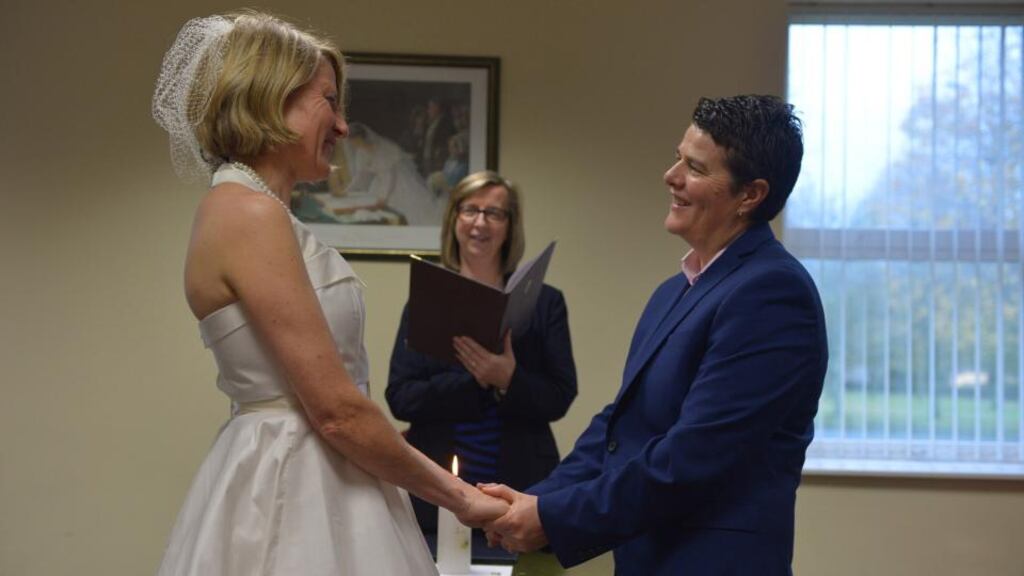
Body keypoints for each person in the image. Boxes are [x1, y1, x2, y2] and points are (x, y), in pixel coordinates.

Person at [151, 12, 506, 575]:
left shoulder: (260, 211)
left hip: (326, 472)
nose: (343, 127)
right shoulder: (247, 212)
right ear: (271, 99)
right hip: (295, 485)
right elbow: (337, 412)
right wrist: (460, 498)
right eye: (330, 101)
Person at [481, 95, 828, 575]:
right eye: (677, 157)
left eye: (695, 167)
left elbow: (694, 457)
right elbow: (620, 429)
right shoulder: (674, 291)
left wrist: (550, 518)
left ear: (750, 195)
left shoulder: (772, 293)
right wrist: (536, 501)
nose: (670, 175)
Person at [386, 171, 578, 536]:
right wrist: (475, 379)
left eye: (494, 213)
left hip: (520, 487)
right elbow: (401, 398)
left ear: (510, 226)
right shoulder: (427, 300)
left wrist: (508, 379)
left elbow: (560, 396)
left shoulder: (545, 302)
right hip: (438, 490)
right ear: (454, 219)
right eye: (470, 210)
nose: (480, 222)